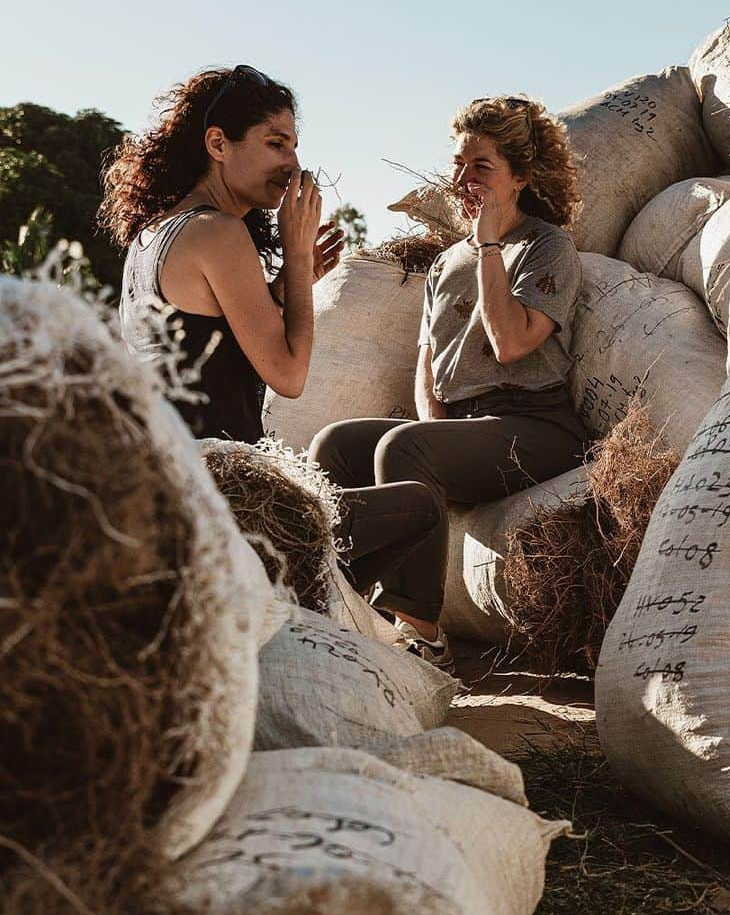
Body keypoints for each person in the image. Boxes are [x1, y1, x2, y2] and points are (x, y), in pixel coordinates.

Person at [101, 65, 439, 596]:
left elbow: (204, 343)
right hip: (235, 503)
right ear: (218, 143)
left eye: (296, 145)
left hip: (171, 490)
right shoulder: (219, 232)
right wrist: (299, 258)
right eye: (276, 143)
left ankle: (310, 611)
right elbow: (288, 374)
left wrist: (281, 289)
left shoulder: (153, 236)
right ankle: (335, 619)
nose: (293, 164)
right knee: (421, 506)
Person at [310, 95, 587, 671]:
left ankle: (425, 638)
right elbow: (428, 362)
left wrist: (489, 246)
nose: (462, 180)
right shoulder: (448, 259)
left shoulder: (545, 246)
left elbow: (512, 343)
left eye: (481, 167)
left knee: (404, 446)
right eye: (459, 164)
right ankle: (348, 608)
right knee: (335, 444)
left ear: (522, 177)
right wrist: (434, 431)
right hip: (465, 427)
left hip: (533, 427)